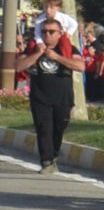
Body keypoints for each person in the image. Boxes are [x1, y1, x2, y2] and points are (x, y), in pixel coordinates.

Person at [24, 13, 78, 172]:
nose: (47, 34)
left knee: (58, 128)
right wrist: (37, 54)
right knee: (44, 129)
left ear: (60, 33)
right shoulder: (34, 47)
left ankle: (53, 155)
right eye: (44, 31)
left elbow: (80, 66)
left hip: (63, 97)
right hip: (40, 97)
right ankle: (46, 162)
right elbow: (19, 65)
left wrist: (57, 57)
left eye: (51, 31)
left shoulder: (68, 48)